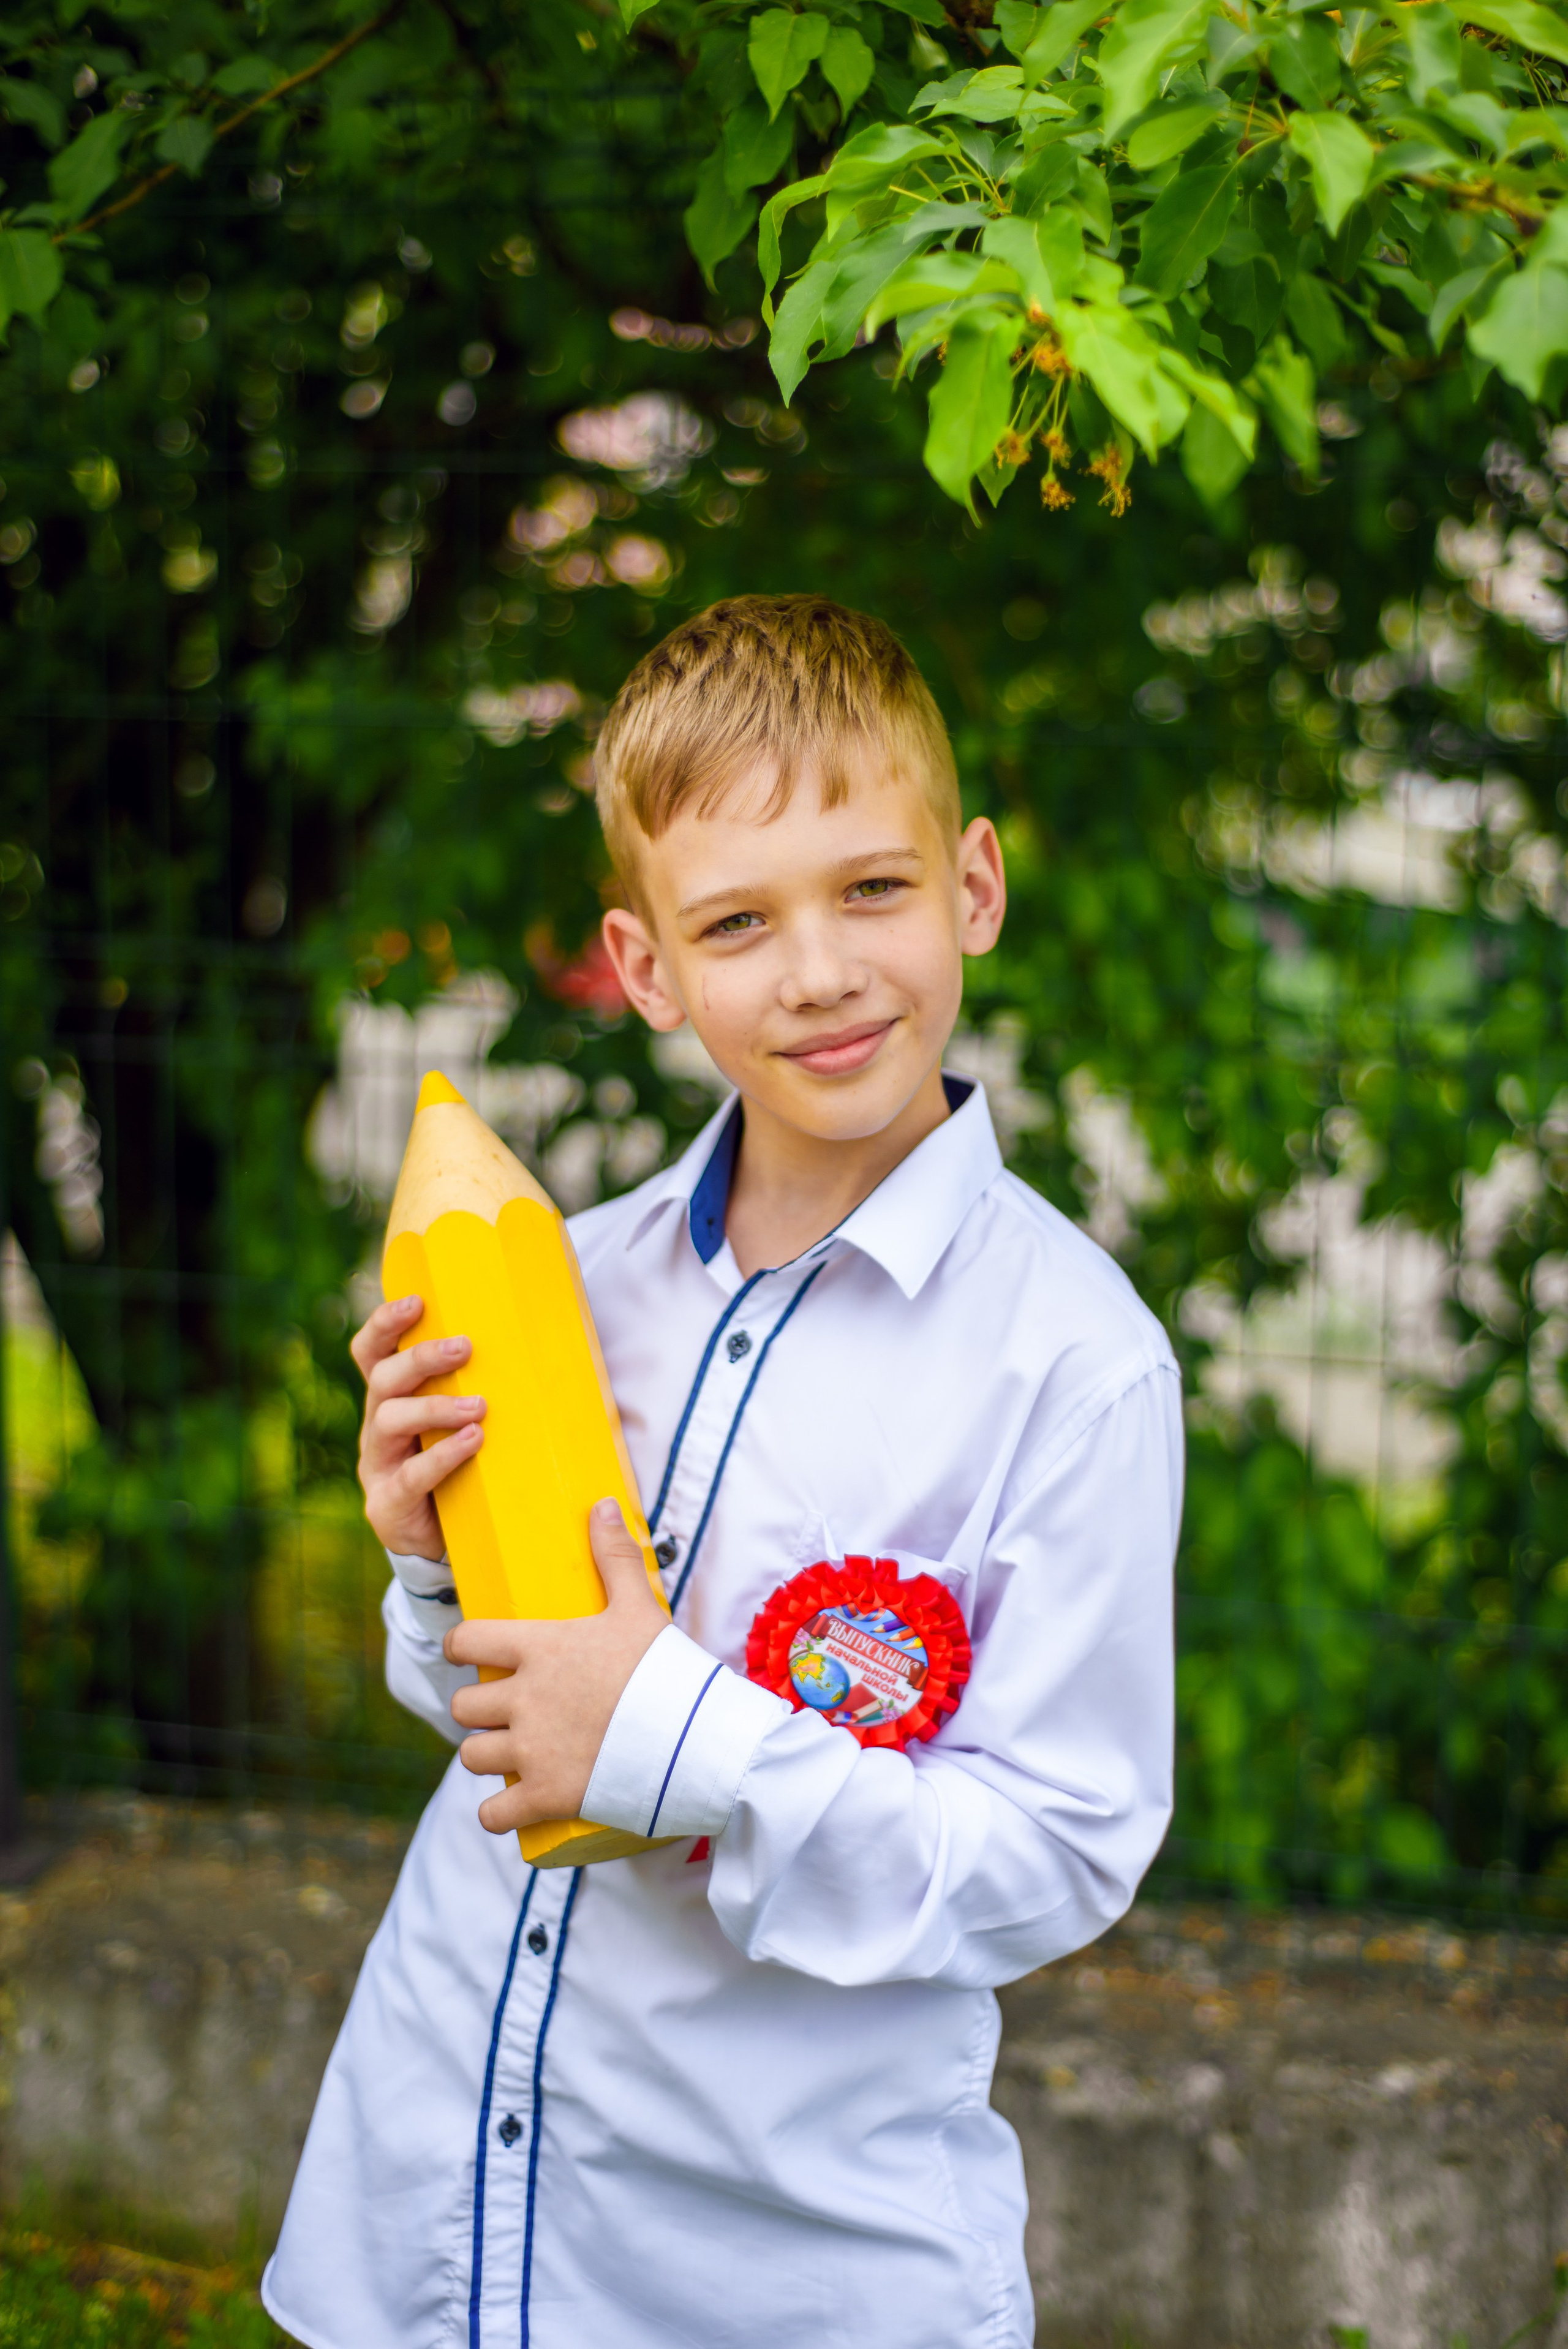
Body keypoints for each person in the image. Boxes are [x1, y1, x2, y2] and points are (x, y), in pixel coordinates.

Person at [262, 594, 1182, 2349]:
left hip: (773, 2273)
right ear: (647, 965)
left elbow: (1054, 1851)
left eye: (874, 889)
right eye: (739, 922)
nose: (820, 969)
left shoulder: (1073, 1364)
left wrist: (678, 1727)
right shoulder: (566, 1275)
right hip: (431, 2218)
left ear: (974, 885)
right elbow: (487, 1708)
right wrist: (432, 1563)